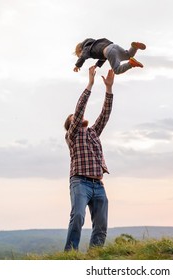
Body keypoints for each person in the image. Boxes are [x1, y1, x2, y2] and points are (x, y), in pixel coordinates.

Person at [63, 65, 114, 251]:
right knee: (77, 216)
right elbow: (79, 108)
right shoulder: (73, 134)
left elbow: (105, 115)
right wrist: (90, 84)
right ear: (71, 124)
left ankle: (95, 257)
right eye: (74, 117)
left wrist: (108, 88)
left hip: (98, 184)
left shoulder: (93, 132)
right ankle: (69, 255)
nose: (79, 116)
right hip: (80, 182)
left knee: (101, 225)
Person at [74, 38, 146, 75]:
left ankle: (131, 63)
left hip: (109, 52)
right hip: (113, 46)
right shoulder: (94, 44)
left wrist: (78, 65)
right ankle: (134, 47)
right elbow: (102, 58)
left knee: (117, 70)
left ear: (81, 49)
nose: (80, 56)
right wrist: (96, 65)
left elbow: (82, 57)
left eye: (79, 55)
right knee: (128, 55)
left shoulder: (85, 49)